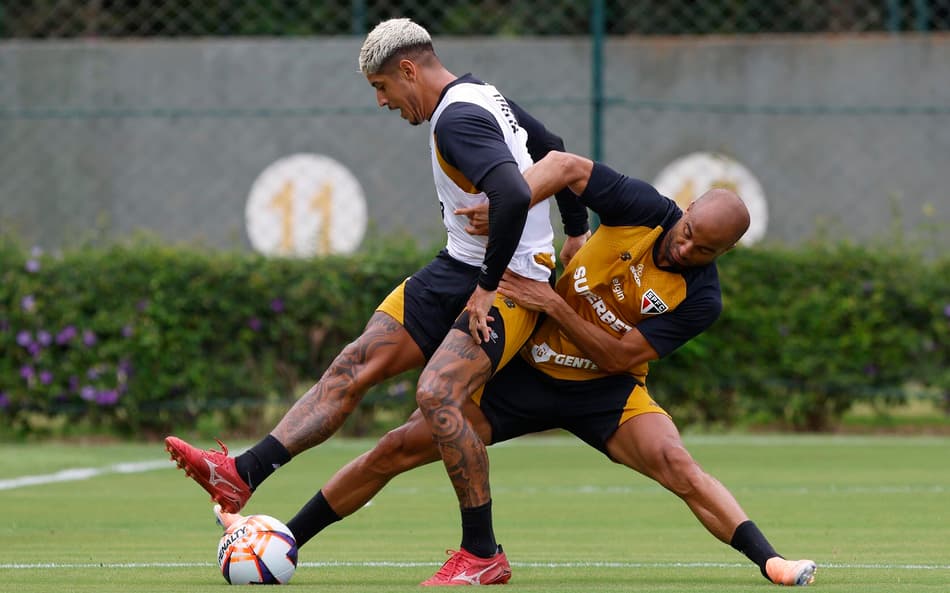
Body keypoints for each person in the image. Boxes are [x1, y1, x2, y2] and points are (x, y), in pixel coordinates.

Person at [213, 150, 817, 587]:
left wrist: (552, 303)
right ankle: (284, 542)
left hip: (606, 391)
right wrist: (507, 203)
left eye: (704, 250)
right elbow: (563, 165)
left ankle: (771, 561)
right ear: (683, 212)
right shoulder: (642, 208)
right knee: (396, 447)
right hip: (523, 375)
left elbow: (621, 356)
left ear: (723, 253)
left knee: (678, 465)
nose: (686, 249)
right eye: (687, 233)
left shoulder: (702, 298)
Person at [164, 17, 589, 586]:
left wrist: (489, 287)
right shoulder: (480, 96)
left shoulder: (457, 119)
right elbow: (552, 147)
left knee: (437, 395)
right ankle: (242, 472)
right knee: (354, 364)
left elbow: (511, 191)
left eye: (381, 87)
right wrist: (576, 230)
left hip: (508, 284)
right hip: (456, 266)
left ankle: (483, 552)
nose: (382, 101)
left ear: (408, 70)